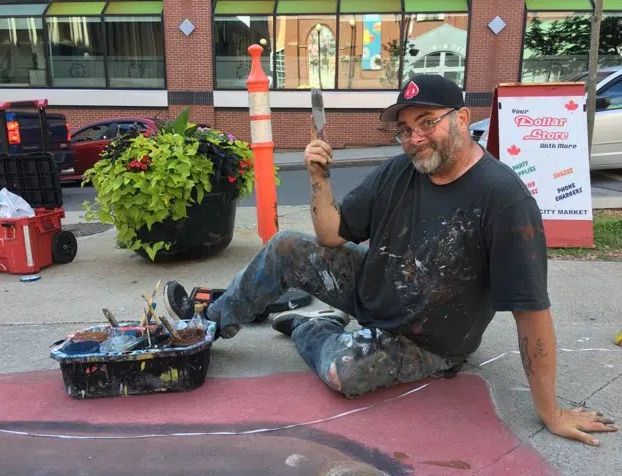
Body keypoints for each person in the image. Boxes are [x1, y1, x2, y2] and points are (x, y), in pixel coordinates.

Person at [164, 74, 617, 446]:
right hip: (373, 288)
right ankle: (208, 327)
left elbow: (531, 312)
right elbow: (330, 234)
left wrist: (550, 411)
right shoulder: (400, 169)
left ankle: (309, 326)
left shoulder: (503, 201)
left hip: (427, 340)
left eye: (427, 121)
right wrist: (319, 176)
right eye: (404, 128)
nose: (414, 137)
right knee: (286, 245)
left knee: (346, 371)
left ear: (461, 118)